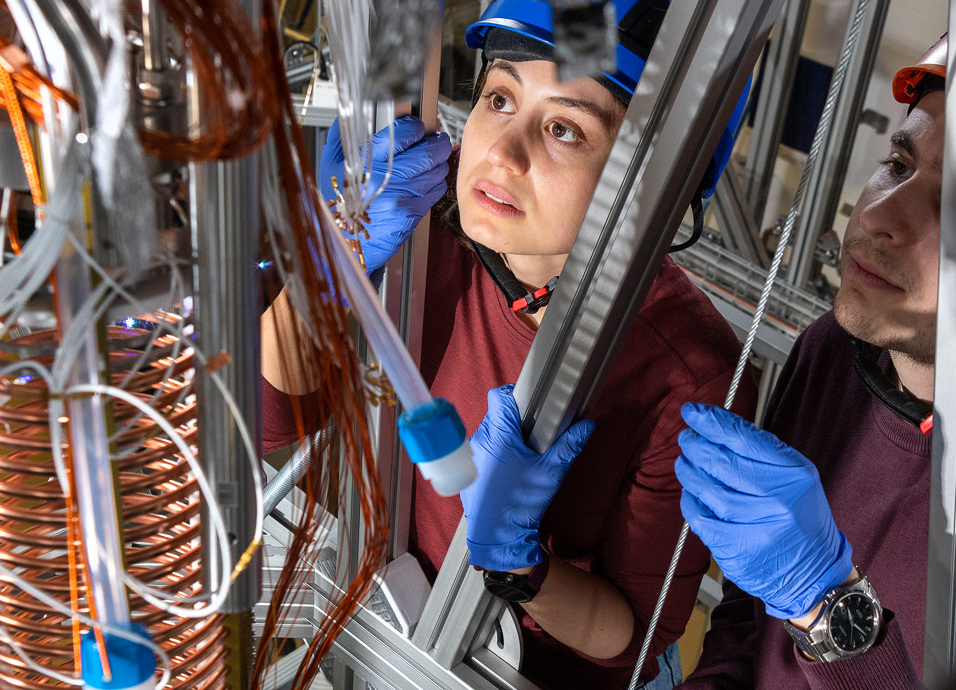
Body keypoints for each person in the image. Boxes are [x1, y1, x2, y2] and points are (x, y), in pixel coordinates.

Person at [258, 1, 753, 687]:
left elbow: (631, 638)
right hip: (359, 619)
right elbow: (263, 423)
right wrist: (328, 264)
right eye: (499, 98)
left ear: (658, 185)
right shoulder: (412, 204)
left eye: (564, 129)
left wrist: (520, 565)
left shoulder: (688, 370)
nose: (501, 153)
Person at [676, 37, 951, 689]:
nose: (880, 214)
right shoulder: (833, 353)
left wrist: (827, 608)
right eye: (898, 166)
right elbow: (745, 627)